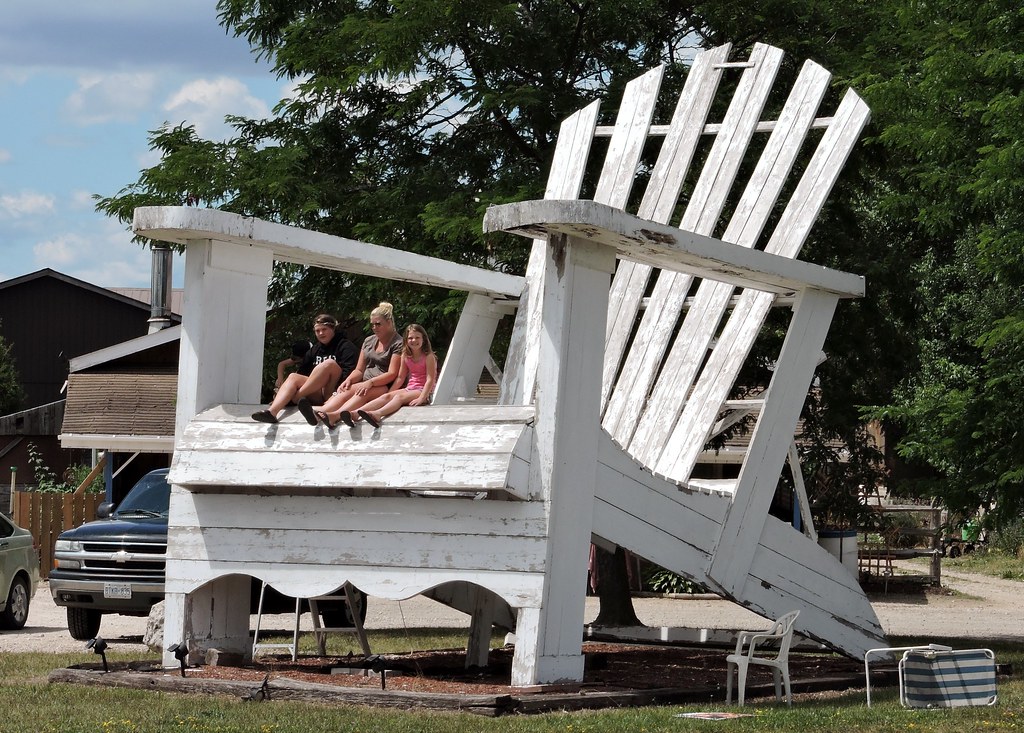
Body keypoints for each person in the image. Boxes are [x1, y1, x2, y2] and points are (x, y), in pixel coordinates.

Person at [251, 314, 357, 424]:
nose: (321, 333)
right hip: (316, 392)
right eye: (317, 331)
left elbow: (350, 373)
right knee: (293, 376)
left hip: (335, 392)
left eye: (324, 329)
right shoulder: (315, 350)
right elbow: (302, 373)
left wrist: (337, 395)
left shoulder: (346, 346)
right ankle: (272, 412)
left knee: (329, 364)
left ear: (333, 328)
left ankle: (294, 398)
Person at [311, 302, 403, 428]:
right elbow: (359, 370)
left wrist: (370, 382)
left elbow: (393, 373)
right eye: (372, 325)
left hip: (384, 385)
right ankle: (324, 410)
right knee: (347, 389)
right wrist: (348, 380)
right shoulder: (369, 341)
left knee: (362, 392)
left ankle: (333, 415)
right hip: (365, 382)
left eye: (378, 324)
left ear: (389, 322)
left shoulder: (398, 343)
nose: (375, 327)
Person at [338, 323, 436, 429]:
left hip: (424, 391)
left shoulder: (428, 356)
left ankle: (378, 414)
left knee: (399, 397)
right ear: (406, 340)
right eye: (410, 338)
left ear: (424, 339)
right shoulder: (406, 355)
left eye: (417, 337)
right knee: (386, 396)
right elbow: (400, 377)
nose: (414, 340)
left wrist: (422, 398)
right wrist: (390, 393)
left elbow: (430, 379)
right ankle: (355, 413)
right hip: (410, 388)